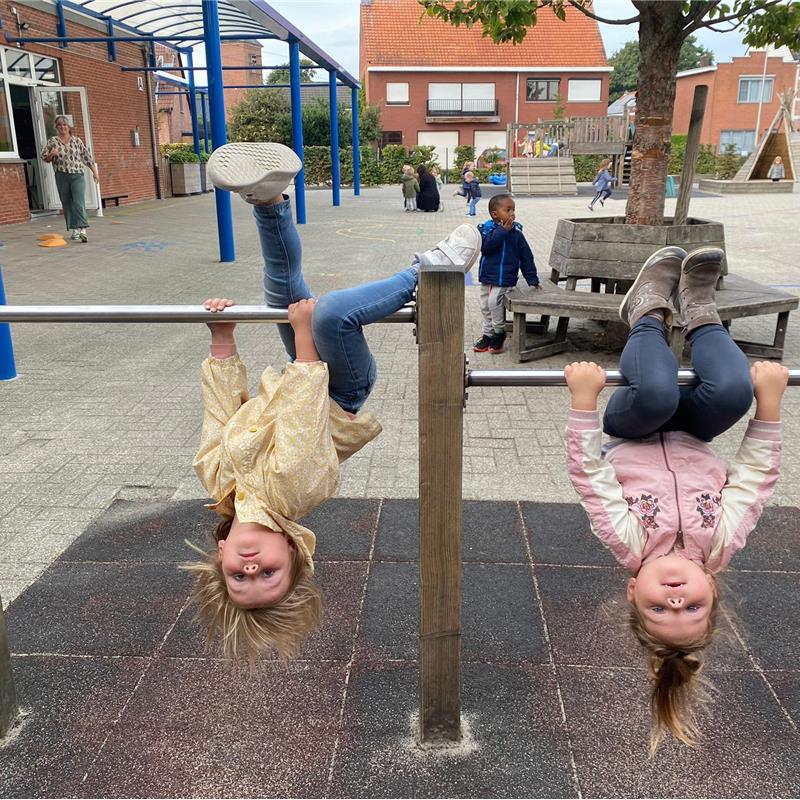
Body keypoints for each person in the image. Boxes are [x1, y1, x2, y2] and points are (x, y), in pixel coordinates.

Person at [184, 142, 481, 663]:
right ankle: (431, 269)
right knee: (329, 316)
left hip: (300, 377)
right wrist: (302, 337)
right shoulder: (292, 494)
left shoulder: (216, 481)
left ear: (221, 554)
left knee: (282, 291)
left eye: (239, 575)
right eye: (268, 574)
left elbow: (220, 413)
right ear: (296, 556)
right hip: (336, 391)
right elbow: (302, 413)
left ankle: (268, 200)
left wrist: (222, 338)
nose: (251, 564)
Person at [564, 245, 788, 749]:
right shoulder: (720, 545)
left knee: (658, 393)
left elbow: (590, 476)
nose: (675, 600)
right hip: (694, 435)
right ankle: (700, 308)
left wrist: (584, 402)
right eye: (692, 608)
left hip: (632, 428)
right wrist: (768, 409)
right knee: (735, 390)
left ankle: (648, 312)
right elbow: (754, 481)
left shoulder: (630, 543)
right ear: (712, 588)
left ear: (632, 595)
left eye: (659, 611)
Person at [473, 193, 541, 354]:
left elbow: (526, 256)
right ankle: (488, 334)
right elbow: (486, 247)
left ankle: (499, 333)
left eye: (513, 210)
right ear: (495, 214)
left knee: (493, 302)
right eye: (508, 210)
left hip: (505, 279)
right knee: (484, 305)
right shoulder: (487, 230)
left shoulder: (516, 234)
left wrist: (532, 278)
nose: (512, 213)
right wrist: (502, 231)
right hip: (487, 277)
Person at [40, 114, 99, 242]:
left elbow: (87, 158)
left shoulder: (77, 141)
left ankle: (83, 228)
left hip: (77, 175)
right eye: (60, 125)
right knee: (67, 203)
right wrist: (52, 154)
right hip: (61, 175)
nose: (63, 127)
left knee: (79, 202)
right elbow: (45, 158)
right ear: (56, 127)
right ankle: (75, 229)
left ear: (69, 126)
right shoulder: (52, 141)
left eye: (65, 125)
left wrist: (95, 172)